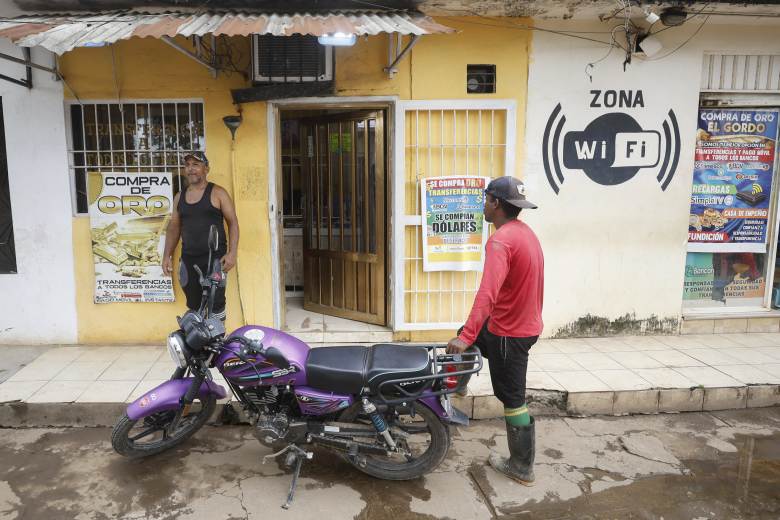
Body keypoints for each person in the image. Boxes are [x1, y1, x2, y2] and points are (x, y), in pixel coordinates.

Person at [446, 176, 543, 486]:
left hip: (509, 333)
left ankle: (520, 466)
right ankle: (456, 390)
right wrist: (469, 334)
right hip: (516, 324)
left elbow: (487, 293)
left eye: (486, 198)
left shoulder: (500, 241)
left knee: (513, 398)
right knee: (470, 334)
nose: (482, 204)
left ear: (497, 203)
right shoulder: (524, 233)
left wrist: (464, 338)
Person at [162, 152, 239, 320]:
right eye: (187, 165)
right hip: (190, 259)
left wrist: (232, 253)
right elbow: (174, 228)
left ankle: (217, 341)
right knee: (195, 305)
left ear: (206, 169)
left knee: (216, 303)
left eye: (195, 165)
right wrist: (167, 255)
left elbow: (233, 223)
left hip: (215, 261)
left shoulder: (218, 193)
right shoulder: (179, 197)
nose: (190, 169)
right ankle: (199, 343)